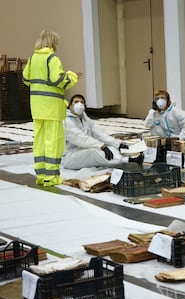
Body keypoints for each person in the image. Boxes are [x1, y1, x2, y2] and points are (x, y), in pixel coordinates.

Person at [23, 30, 79, 186]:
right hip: (52, 108)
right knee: (53, 142)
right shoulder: (52, 58)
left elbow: (26, 79)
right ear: (53, 42)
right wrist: (72, 76)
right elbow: (58, 80)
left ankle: (41, 175)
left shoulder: (32, 58)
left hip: (36, 106)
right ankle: (52, 176)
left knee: (39, 141)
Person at [62, 94, 143, 170]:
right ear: (70, 106)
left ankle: (124, 159)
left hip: (83, 151)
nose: (79, 104)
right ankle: (128, 160)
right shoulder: (66, 121)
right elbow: (81, 138)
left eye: (82, 102)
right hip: (70, 157)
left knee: (111, 148)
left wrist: (117, 144)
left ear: (84, 106)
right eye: (76, 102)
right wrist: (101, 146)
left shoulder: (85, 119)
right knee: (94, 152)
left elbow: (99, 133)